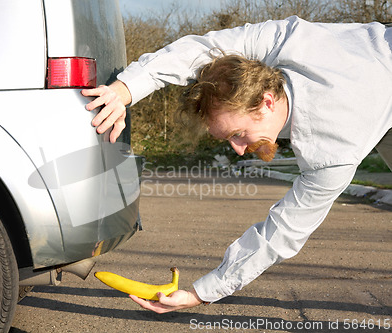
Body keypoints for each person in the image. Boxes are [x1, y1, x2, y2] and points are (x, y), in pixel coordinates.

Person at [82, 15, 392, 313]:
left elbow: (281, 233)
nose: (240, 150)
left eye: (238, 134)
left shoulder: (333, 149)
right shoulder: (288, 40)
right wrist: (126, 89)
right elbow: (203, 50)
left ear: (267, 102)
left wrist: (202, 293)